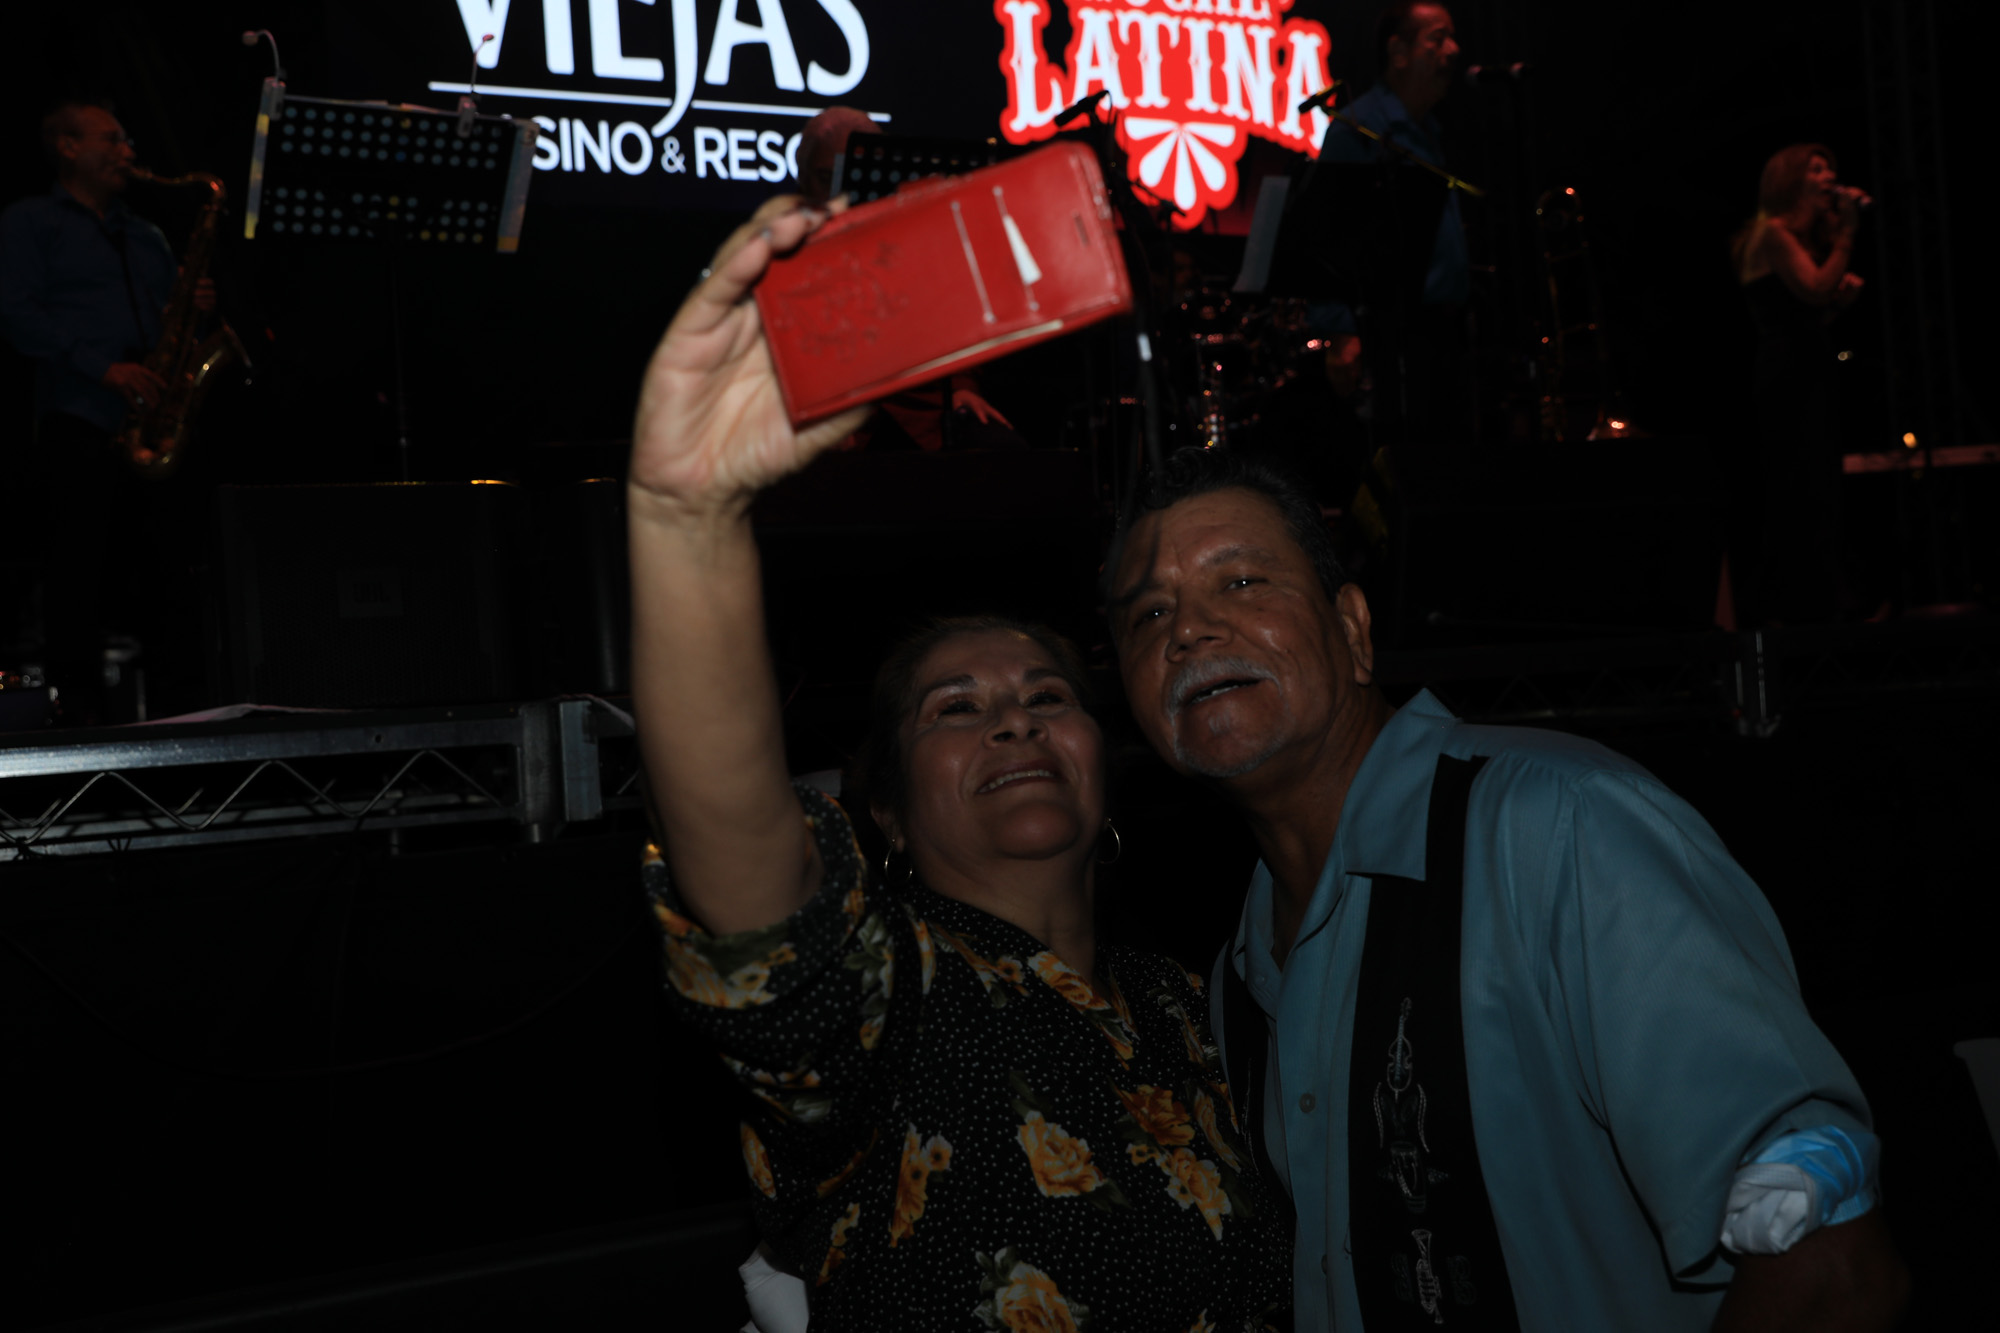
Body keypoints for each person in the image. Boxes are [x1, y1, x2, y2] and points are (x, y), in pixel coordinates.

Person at [628, 197, 1291, 1329]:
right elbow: (754, 905)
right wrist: (688, 521)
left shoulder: (1193, 1006)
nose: (1014, 723)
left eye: (1047, 698)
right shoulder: (895, 1004)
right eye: (958, 708)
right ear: (882, 811)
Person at [1105, 445, 1910, 1330]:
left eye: (1242, 581)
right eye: (1150, 613)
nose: (1188, 631)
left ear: (1355, 629)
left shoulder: (1560, 828)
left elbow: (1831, 1267)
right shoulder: (1235, 981)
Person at [0, 100, 211, 722]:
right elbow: (15, 311)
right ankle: (80, 725)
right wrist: (104, 368)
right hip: (80, 415)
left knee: (170, 581)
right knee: (77, 583)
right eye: (112, 140)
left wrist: (194, 308)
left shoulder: (144, 234)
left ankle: (185, 721)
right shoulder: (29, 221)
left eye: (127, 141)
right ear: (67, 147)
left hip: (153, 422)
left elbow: (172, 324)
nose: (128, 152)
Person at [795, 106, 1023, 453]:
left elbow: (956, 323)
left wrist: (963, 388)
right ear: (802, 177)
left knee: (1005, 454)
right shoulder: (786, 250)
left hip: (922, 414)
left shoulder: (909, 239)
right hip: (839, 418)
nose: (838, 191)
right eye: (826, 178)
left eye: (854, 173)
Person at [1310, 1, 1472, 451]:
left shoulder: (1428, 129)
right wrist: (1340, 332)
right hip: (1393, 339)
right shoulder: (1360, 128)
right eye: (1438, 39)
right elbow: (1327, 237)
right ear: (1398, 52)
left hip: (1440, 334)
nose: (1453, 50)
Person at [1731, 144, 1868, 623]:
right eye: (1816, 168)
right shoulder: (1772, 233)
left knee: (1817, 481)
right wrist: (1846, 235)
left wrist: (1837, 306)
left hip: (1805, 364)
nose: (1829, 176)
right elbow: (1813, 289)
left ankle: (1823, 596)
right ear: (1791, 181)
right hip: (1788, 373)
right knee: (1800, 481)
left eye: (1831, 167)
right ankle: (1806, 604)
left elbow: (1806, 315)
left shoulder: (1790, 238)